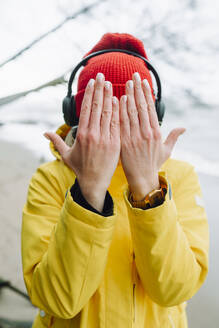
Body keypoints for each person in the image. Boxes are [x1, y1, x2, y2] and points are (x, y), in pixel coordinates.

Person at [21, 33, 209, 328]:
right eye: (101, 118)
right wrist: (89, 189)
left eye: (133, 118)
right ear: (77, 118)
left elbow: (175, 289)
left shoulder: (179, 178)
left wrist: (148, 186)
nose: (118, 133)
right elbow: (56, 300)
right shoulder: (51, 178)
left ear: (152, 117)